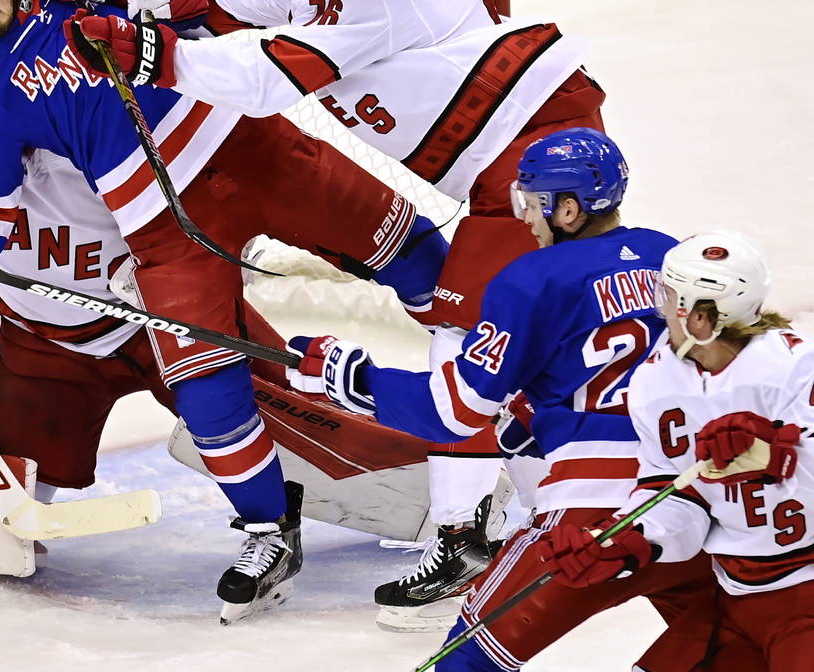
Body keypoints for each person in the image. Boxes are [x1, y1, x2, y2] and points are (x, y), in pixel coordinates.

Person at [0, 0, 455, 622]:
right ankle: (268, 533)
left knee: (415, 255)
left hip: (249, 146)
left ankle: (506, 394)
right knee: (207, 390)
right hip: (158, 225)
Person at [65, 0, 606, 610]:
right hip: (513, 150)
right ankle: (544, 516)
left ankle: (463, 535)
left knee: (463, 335)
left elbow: (266, 79)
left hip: (532, 149)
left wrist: (148, 55)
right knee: (502, 344)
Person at [0, 101, 439, 582]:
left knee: (322, 437)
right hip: (43, 349)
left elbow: (230, 200)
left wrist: (181, 263)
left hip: (169, 323)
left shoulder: (131, 121)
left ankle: (455, 492)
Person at [289, 128, 718, 667]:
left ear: (568, 209)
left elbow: (454, 413)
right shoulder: (668, 254)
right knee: (730, 643)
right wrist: (534, 411)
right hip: (691, 503)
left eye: (535, 202)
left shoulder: (530, 279)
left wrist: (353, 376)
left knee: (467, 659)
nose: (526, 218)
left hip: (588, 520)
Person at [539, 231, 813, 671]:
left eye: (667, 295)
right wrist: (624, 541)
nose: (659, 307)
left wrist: (773, 454)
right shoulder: (654, 382)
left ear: (700, 318)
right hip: (736, 599)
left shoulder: (795, 367)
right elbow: (672, 493)